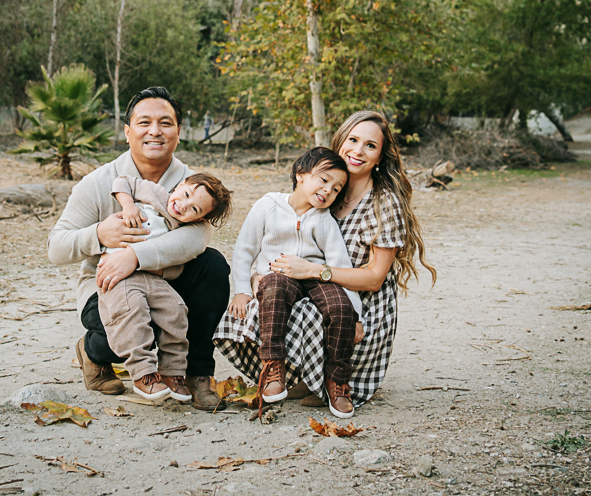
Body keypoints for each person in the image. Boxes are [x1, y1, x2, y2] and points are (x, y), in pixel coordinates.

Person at [215, 110, 436, 409]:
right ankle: (283, 372)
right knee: (273, 292)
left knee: (329, 307)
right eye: (353, 140)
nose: (358, 150)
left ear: (381, 156)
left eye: (370, 146)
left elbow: (373, 278)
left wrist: (314, 270)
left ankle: (331, 380)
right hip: (303, 281)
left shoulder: (384, 203)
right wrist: (258, 275)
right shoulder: (324, 191)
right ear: (340, 142)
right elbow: (253, 245)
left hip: (361, 297)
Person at [48, 86, 231, 410]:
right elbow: (56, 248)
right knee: (129, 329)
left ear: (177, 131)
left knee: (213, 266)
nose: (155, 131)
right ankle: (93, 352)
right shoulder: (99, 182)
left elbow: (198, 237)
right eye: (144, 122)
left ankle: (196, 373)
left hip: (164, 281)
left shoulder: (192, 182)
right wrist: (100, 233)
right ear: (128, 130)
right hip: (107, 284)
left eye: (166, 123)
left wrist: (135, 256)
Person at [226, 146, 362, 419]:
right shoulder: (268, 206)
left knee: (340, 308)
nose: (328, 191)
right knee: (273, 288)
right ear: (301, 174)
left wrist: (355, 313)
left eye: (336, 189)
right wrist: (241, 290)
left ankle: (337, 381)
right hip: (278, 274)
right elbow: (244, 250)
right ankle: (273, 367)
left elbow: (340, 265)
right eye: (324, 180)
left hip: (313, 276)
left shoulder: (325, 220)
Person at [98, 171, 232, 402]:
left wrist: (154, 268)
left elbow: (177, 266)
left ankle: (173, 372)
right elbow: (123, 181)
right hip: (117, 275)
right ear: (180, 185)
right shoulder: (155, 193)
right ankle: (143, 373)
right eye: (186, 194)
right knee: (132, 312)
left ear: (199, 219)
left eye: (194, 209)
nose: (184, 205)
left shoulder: (184, 229)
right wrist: (128, 204)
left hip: (153, 278)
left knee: (176, 310)